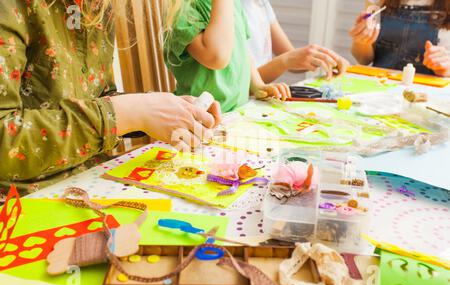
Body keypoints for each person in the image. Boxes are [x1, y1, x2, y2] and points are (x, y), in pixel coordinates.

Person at [0, 0, 221, 196]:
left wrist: (156, 111)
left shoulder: (96, 8)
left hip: (93, 184)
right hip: (22, 203)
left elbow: (97, 99)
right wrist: (129, 112)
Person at [163, 0, 291, 113]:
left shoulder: (233, 3)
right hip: (202, 118)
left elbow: (242, 48)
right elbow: (217, 58)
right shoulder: (181, 8)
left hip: (238, 113)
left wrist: (258, 85)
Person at [241, 0, 350, 83]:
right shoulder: (230, 7)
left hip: (256, 100)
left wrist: (324, 57)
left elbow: (291, 57)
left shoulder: (261, 3)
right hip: (236, 105)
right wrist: (285, 61)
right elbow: (240, 84)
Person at [350, 0, 450, 77]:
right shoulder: (376, 2)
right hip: (380, 87)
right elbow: (364, 60)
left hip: (428, 94)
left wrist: (446, 68)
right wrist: (361, 41)